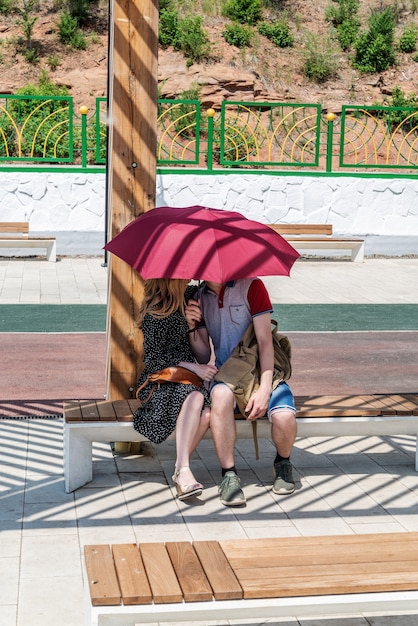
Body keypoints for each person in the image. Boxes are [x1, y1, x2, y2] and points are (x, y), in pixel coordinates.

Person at [185, 277, 297, 507]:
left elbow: (265, 341)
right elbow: (204, 356)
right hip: (229, 374)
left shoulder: (252, 286)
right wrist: (192, 327)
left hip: (263, 371)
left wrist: (265, 389)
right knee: (219, 395)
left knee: (285, 417)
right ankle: (229, 474)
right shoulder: (198, 297)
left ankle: (283, 462)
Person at [134, 278, 217, 501]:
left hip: (189, 381)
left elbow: (203, 356)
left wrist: (192, 327)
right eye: (182, 276)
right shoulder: (155, 311)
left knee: (207, 412)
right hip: (161, 382)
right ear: (170, 280)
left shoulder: (192, 297)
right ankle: (183, 471)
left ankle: (181, 467)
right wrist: (194, 367)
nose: (188, 277)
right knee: (196, 397)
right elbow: (154, 362)